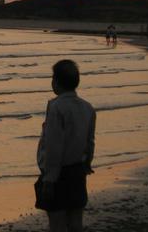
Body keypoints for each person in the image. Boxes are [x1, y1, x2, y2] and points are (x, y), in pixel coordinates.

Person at [36, 59, 96, 232]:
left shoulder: (57, 108)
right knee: (76, 221)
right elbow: (89, 142)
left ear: (56, 81)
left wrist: (49, 180)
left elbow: (54, 147)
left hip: (59, 174)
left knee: (57, 222)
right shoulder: (87, 108)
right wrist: (87, 164)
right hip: (78, 170)